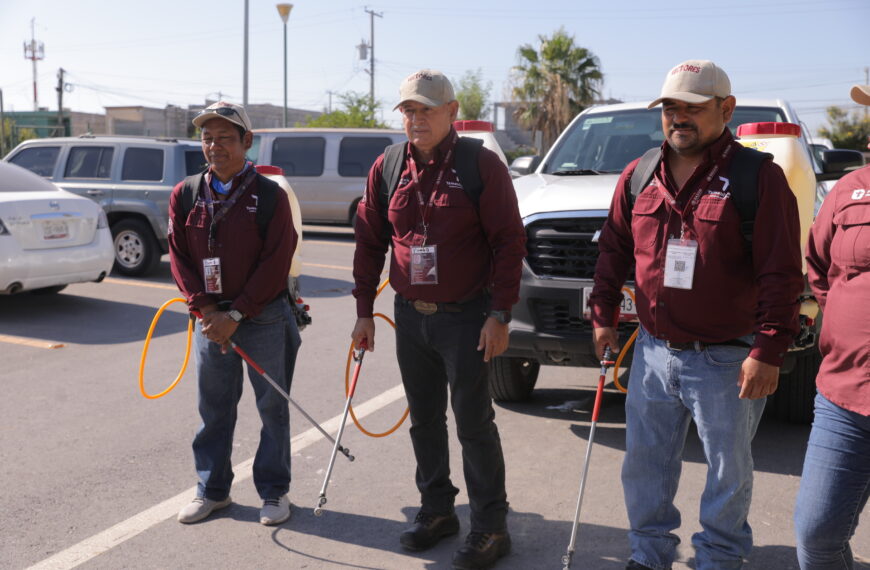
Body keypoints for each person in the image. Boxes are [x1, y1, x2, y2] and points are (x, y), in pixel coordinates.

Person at [590, 60, 803, 570]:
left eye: (692, 107)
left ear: (726, 109)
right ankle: (649, 554)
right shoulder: (640, 174)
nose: (678, 117)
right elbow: (613, 251)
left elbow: (781, 273)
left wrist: (768, 349)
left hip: (727, 360)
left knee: (728, 472)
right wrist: (602, 314)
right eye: (669, 107)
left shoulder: (758, 177)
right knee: (645, 465)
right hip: (652, 352)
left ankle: (720, 557)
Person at [351, 69, 526, 569]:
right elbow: (369, 242)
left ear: (452, 111)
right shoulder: (388, 166)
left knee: (474, 423)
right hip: (410, 317)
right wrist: (364, 312)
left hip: (467, 318)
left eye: (426, 110)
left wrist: (500, 314)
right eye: (409, 110)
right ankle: (437, 510)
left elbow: (509, 242)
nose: (416, 119)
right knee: (424, 420)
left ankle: (491, 527)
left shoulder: (479, 165)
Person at [168, 101, 301, 526]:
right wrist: (207, 309)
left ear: (247, 141)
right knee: (214, 409)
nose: (215, 146)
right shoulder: (186, 193)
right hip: (211, 321)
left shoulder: (270, 195)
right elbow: (179, 258)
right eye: (207, 138)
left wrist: (237, 315)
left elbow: (277, 261)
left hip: (263, 318)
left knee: (272, 409)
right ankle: (212, 490)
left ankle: (274, 492)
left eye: (225, 138)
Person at [794, 84, 870, 570]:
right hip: (845, 395)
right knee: (816, 533)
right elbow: (819, 267)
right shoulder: (849, 189)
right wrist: (845, 321)